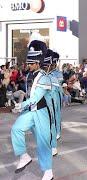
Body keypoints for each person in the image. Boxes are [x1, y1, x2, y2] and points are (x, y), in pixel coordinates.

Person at [11, 39, 54, 180]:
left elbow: (36, 98)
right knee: (16, 129)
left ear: (37, 63)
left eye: (31, 63)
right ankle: (24, 156)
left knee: (43, 143)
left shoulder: (44, 78)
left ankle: (48, 172)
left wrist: (21, 105)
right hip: (29, 111)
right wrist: (20, 106)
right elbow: (29, 95)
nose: (28, 66)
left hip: (41, 113)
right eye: (28, 63)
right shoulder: (29, 75)